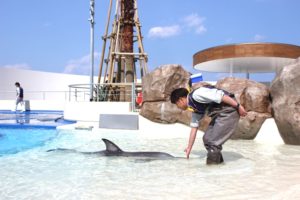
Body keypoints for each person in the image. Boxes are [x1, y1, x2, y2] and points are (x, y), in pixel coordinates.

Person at [170, 84, 247, 164]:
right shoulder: (194, 107)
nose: (178, 107)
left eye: (176, 104)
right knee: (207, 139)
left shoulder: (197, 94)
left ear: (180, 100)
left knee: (213, 143)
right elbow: (194, 128)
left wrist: (238, 107)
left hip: (229, 111)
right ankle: (219, 164)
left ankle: (212, 169)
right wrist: (189, 148)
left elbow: (221, 96)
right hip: (219, 115)